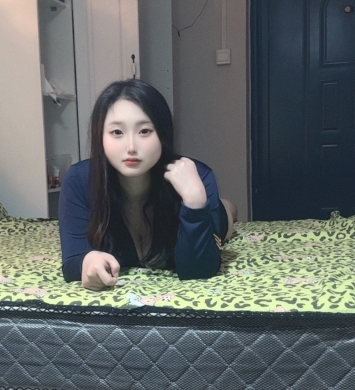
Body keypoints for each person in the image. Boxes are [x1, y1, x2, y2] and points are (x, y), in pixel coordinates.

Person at [59, 79, 237, 291]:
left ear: (162, 134)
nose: (131, 147)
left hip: (213, 211)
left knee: (226, 214)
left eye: (144, 131)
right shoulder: (80, 180)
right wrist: (87, 261)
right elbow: (72, 263)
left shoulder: (197, 176)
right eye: (117, 132)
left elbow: (198, 271)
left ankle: (228, 209)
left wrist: (195, 202)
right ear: (100, 137)